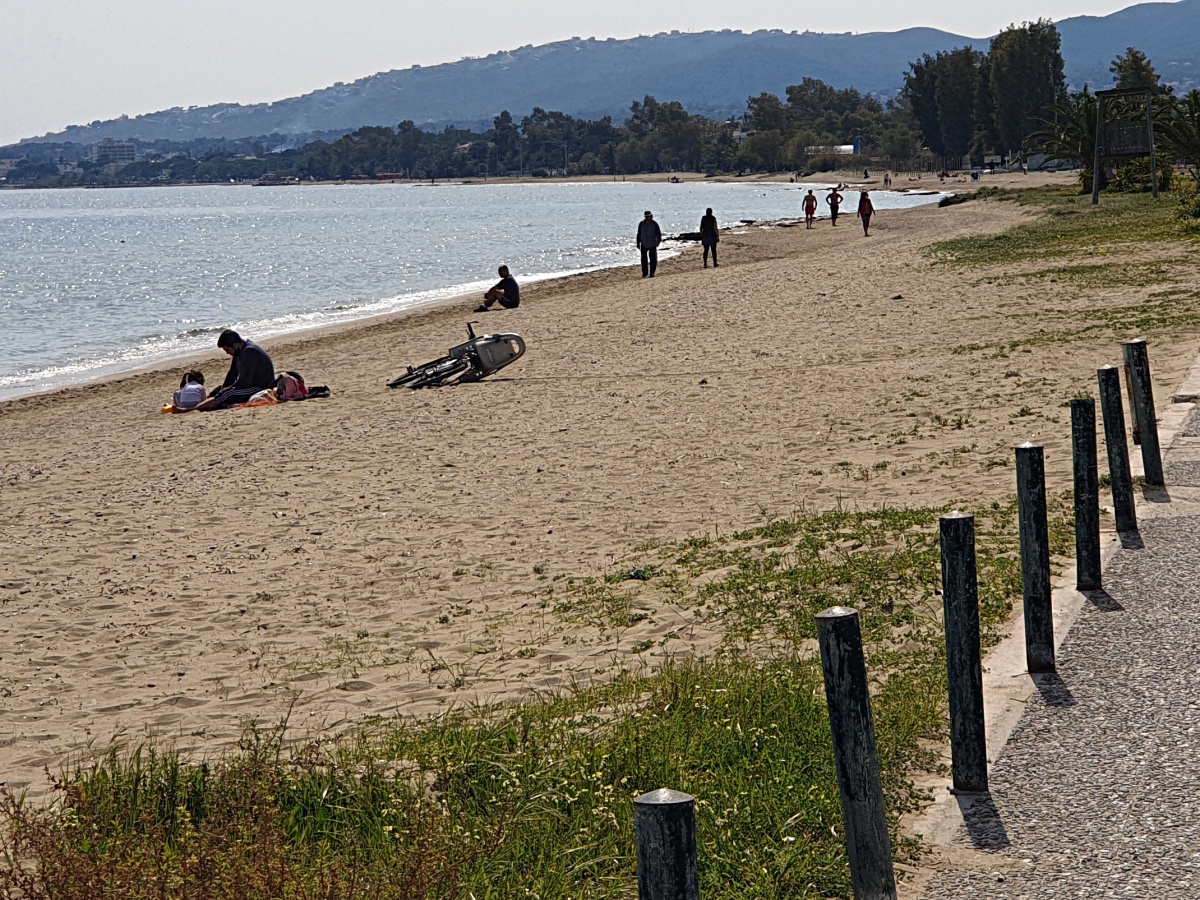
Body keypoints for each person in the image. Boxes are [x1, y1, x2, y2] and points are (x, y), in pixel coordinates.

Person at [194, 330, 276, 411]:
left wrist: (229, 389)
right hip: (250, 386)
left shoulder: (250, 351)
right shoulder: (239, 351)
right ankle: (203, 403)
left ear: (235, 345)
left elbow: (246, 380)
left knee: (227, 394)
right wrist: (224, 388)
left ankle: (194, 408)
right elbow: (233, 373)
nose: (227, 353)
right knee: (220, 391)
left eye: (228, 350)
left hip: (260, 387)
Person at [636, 210, 662, 278]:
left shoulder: (654, 224)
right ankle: (645, 273)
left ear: (651, 216)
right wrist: (638, 243)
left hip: (652, 243)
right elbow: (639, 234)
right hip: (644, 243)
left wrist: (658, 241)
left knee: (653, 259)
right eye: (646, 217)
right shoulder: (641, 224)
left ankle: (652, 273)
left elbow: (658, 234)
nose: (648, 218)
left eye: (649, 216)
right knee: (644, 260)